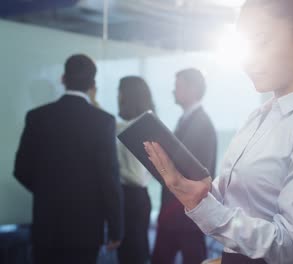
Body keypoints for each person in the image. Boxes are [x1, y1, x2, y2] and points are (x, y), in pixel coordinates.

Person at [144, 0, 293, 263]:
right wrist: (198, 191)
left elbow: (286, 245)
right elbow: (236, 203)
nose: (248, 59)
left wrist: (205, 208)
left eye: (261, 41)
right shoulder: (258, 117)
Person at [14, 54, 123, 264]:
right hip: (86, 229)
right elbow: (109, 179)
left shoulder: (37, 117)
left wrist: (47, 191)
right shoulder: (103, 122)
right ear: (92, 84)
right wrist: (116, 228)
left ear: (63, 78)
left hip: (46, 226)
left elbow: (21, 170)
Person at [152, 68, 218, 264]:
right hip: (176, 213)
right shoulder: (187, 120)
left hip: (186, 215)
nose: (173, 91)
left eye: (178, 86)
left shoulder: (201, 124)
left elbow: (196, 173)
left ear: (193, 89)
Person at [116, 76, 155, 264]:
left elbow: (137, 177)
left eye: (120, 91)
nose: (118, 96)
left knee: (133, 255)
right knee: (131, 253)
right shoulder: (139, 123)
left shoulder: (137, 127)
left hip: (133, 198)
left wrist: (113, 170)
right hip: (134, 199)